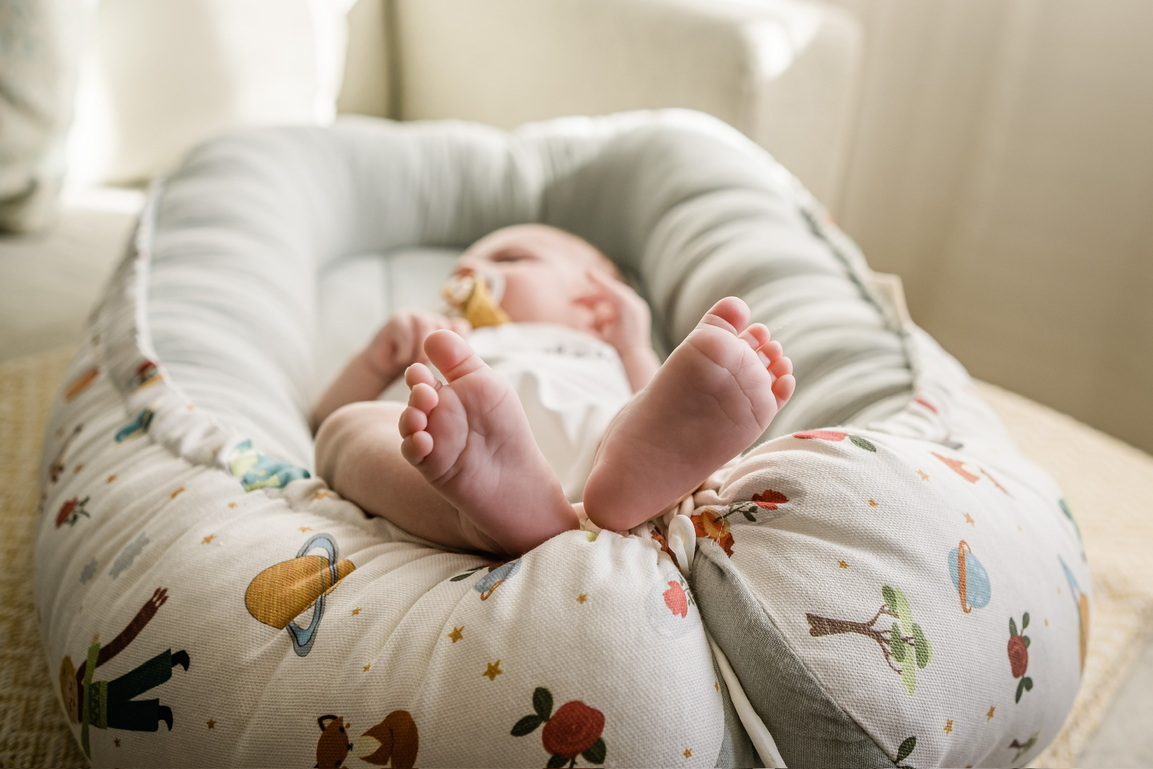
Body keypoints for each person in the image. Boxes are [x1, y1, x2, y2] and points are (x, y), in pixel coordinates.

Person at [312, 224, 795, 556]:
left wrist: (632, 345)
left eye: (507, 259)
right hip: (446, 475)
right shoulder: (440, 344)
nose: (467, 275)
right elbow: (320, 415)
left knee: (642, 419)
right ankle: (483, 515)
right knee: (343, 427)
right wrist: (379, 357)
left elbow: (660, 403)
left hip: (602, 457)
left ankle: (632, 487)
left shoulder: (603, 347)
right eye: (455, 273)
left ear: (595, 300)